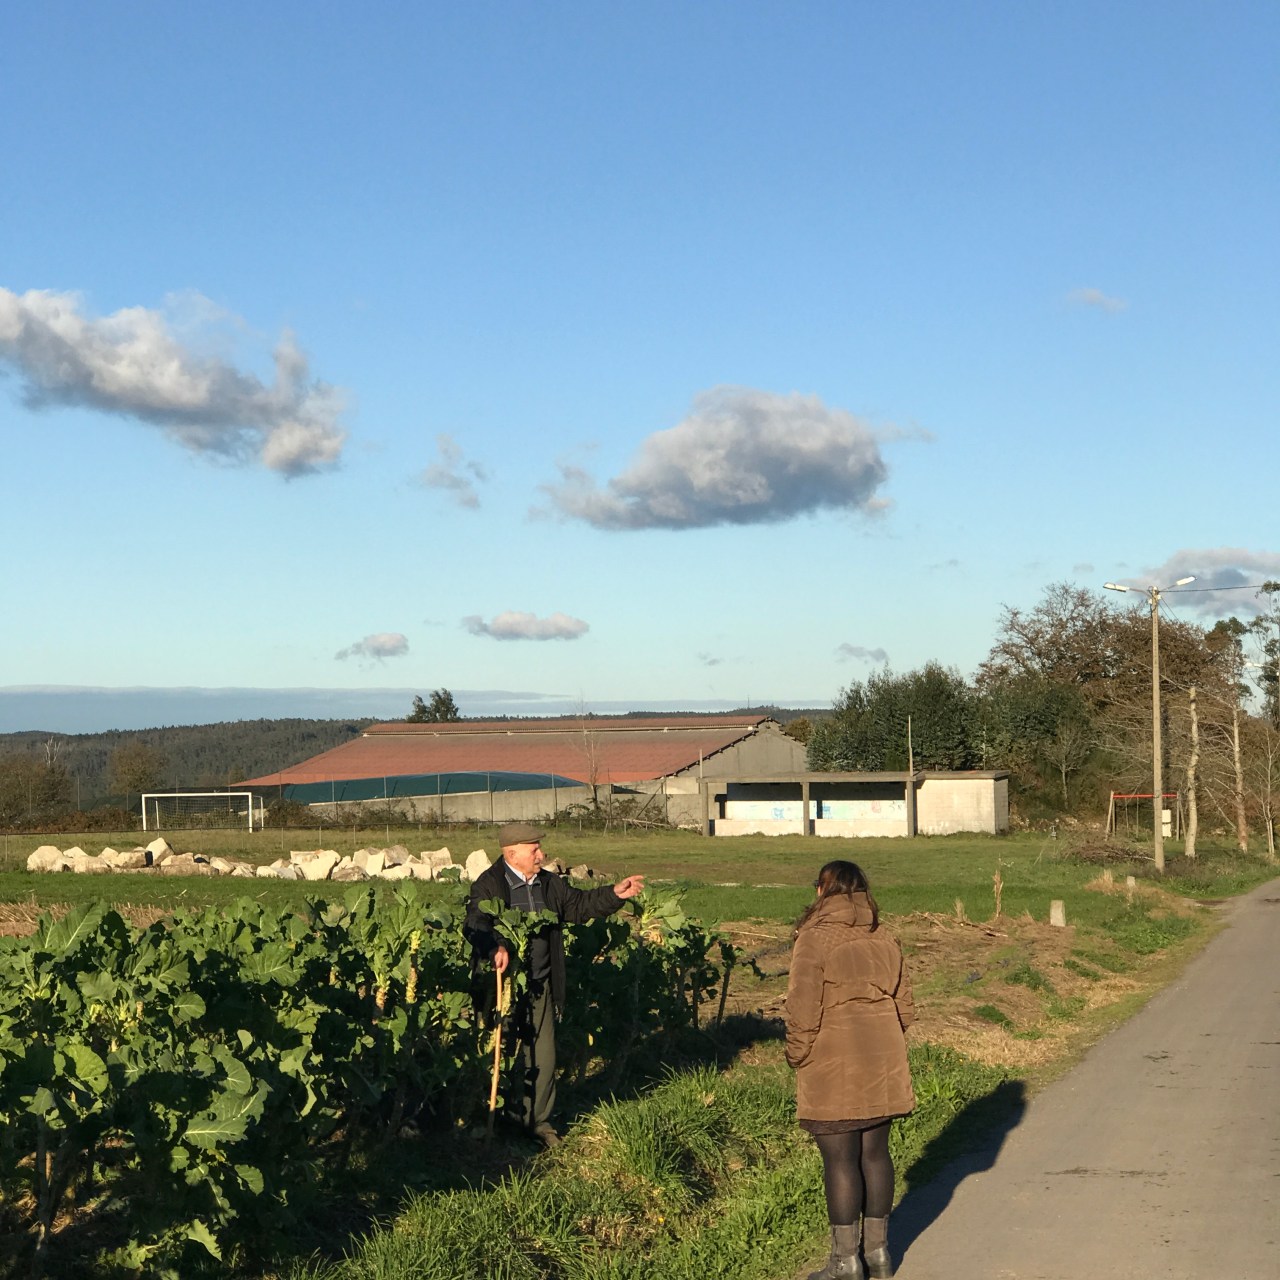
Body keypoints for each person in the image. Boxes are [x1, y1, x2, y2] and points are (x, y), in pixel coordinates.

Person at [463, 821, 645, 1146]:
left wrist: (614, 894)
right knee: (499, 1050)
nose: (541, 854)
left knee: (542, 1055)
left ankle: (538, 1122)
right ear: (512, 853)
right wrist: (494, 948)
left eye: (539, 848)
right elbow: (476, 922)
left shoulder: (549, 884)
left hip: (540, 982)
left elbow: (579, 906)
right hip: (502, 985)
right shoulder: (489, 884)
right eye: (534, 849)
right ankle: (491, 1119)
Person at [784, 861, 915, 1280]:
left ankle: (845, 1261)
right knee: (875, 1154)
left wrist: (797, 1053)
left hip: (833, 1058)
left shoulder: (814, 937)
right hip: (883, 1055)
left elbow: (802, 1005)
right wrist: (887, 1038)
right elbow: (906, 1005)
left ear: (822, 890)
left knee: (839, 1159)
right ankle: (878, 1254)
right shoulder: (884, 935)